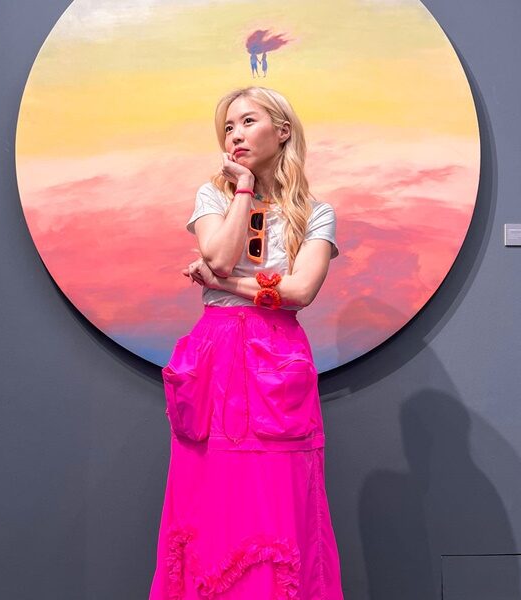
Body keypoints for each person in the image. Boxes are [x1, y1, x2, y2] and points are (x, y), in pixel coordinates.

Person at [149, 86, 344, 599]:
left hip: (276, 357)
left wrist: (226, 283)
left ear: (282, 131)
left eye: (248, 122)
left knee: (278, 501)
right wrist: (242, 189)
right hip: (213, 359)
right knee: (208, 498)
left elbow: (301, 292)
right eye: (228, 128)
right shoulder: (213, 196)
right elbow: (218, 254)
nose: (235, 135)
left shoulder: (315, 213)